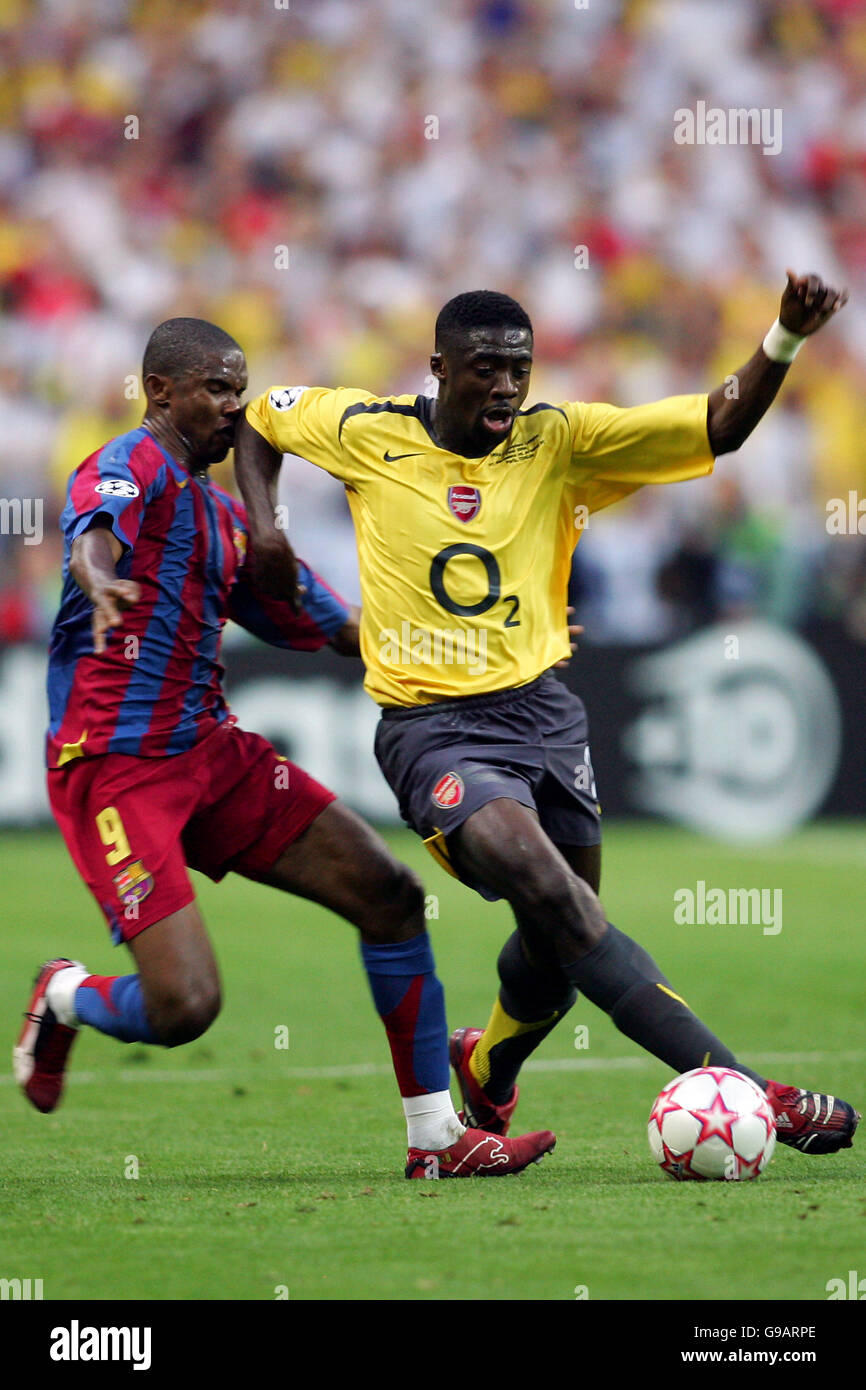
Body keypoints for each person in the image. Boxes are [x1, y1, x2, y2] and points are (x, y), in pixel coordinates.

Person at [235, 275, 859, 1158]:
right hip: (435, 730)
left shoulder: (560, 440)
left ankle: (487, 1068)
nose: (505, 387)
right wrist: (266, 529)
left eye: (518, 370)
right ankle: (756, 1093)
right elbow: (262, 420)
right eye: (486, 369)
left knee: (559, 940)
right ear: (439, 367)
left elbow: (718, 425)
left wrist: (784, 339)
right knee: (560, 905)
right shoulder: (365, 430)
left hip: (546, 716)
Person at [13, 316, 557, 1180]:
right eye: (218, 390)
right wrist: (96, 575)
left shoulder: (231, 522)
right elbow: (92, 529)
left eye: (241, 388)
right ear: (161, 393)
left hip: (211, 753)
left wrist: (462, 643)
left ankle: (436, 1141)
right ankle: (67, 996)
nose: (237, 407)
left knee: (391, 898)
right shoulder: (132, 463)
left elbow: (337, 626)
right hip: (115, 767)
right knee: (186, 1005)